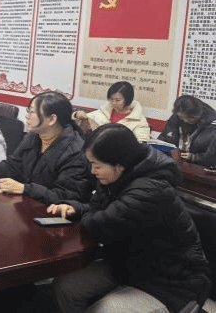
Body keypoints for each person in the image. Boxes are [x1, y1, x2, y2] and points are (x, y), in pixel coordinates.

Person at [49, 124, 211, 313]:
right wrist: (75, 209)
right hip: (131, 265)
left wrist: (88, 214)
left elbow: (100, 224)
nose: (92, 171)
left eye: (96, 165)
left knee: (107, 310)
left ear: (120, 165)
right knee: (67, 286)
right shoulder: (116, 178)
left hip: (171, 281)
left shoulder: (150, 190)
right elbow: (99, 211)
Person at [0, 91, 91, 205]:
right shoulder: (34, 136)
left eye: (32, 112)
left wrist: (25, 188)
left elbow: (67, 196)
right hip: (27, 207)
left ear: (52, 119)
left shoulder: (75, 151)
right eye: (28, 111)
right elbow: (14, 165)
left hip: (53, 214)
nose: (27, 116)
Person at [73, 80, 150, 142]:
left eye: (117, 100)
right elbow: (84, 116)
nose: (113, 103)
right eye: (111, 99)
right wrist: (78, 114)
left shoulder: (139, 121)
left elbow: (141, 144)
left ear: (128, 99)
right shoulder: (105, 111)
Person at [157, 95, 216, 167]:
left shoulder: (212, 125)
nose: (185, 120)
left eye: (189, 118)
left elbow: (211, 157)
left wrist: (193, 157)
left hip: (201, 166)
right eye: (182, 117)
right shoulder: (177, 115)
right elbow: (165, 137)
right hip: (177, 161)